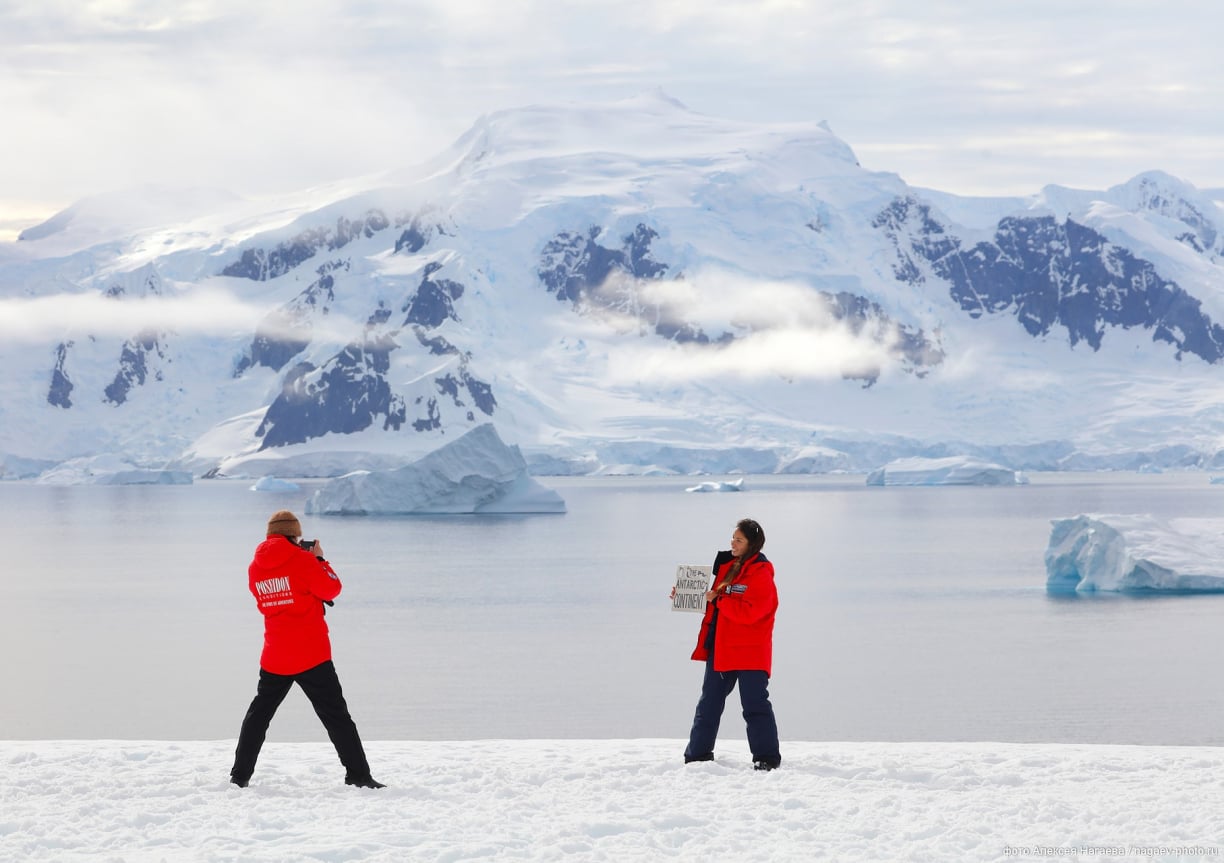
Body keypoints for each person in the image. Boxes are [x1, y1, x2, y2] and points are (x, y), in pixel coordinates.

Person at [230, 510, 384, 789]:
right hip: (311, 653)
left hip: (275, 654)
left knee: (259, 715)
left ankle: (239, 776)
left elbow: (266, 601)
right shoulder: (303, 560)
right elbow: (332, 589)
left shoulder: (255, 567)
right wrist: (320, 559)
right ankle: (358, 775)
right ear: (294, 534)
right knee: (336, 716)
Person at [683, 517, 781, 770]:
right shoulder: (728, 566)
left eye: (739, 540)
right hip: (723, 647)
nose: (733, 543)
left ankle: (766, 759)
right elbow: (714, 602)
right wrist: (686, 596)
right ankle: (697, 757)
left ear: (752, 544)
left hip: (750, 650)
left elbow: (752, 611)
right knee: (709, 703)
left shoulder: (760, 572)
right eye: (733, 539)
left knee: (754, 705)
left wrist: (720, 600)